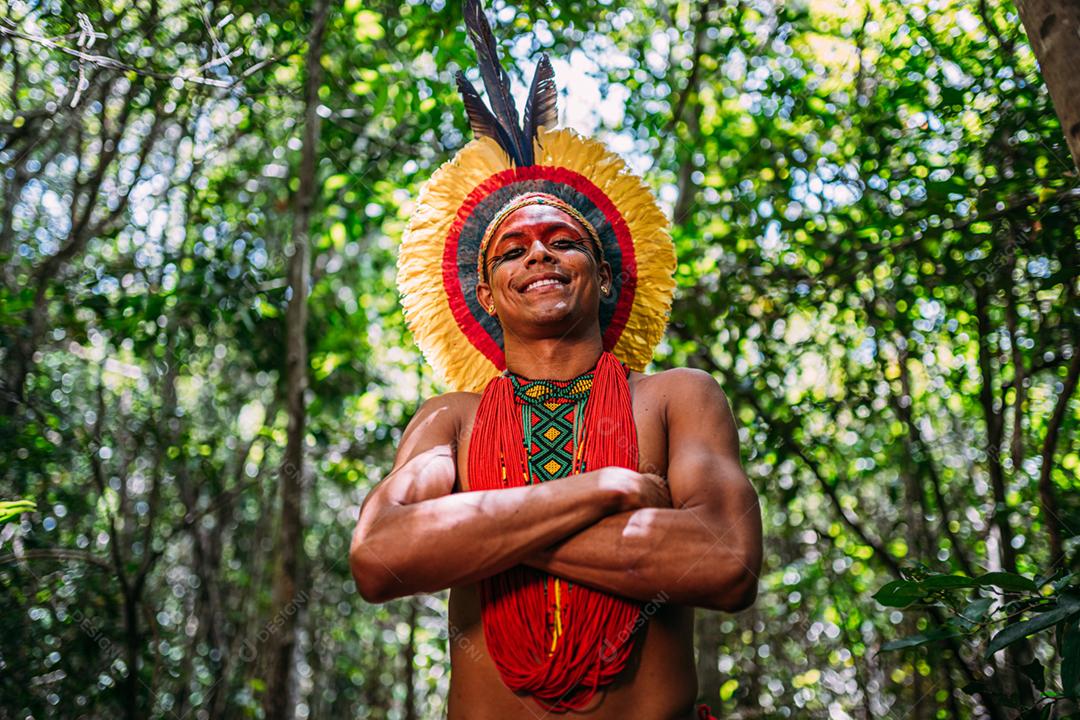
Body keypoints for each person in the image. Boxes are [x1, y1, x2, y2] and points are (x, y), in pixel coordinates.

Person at [350, 2, 763, 717]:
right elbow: (380, 556)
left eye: (562, 241)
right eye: (512, 249)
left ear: (604, 275)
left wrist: (471, 532)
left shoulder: (677, 398)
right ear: (485, 291)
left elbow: (725, 562)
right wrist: (603, 488)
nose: (538, 252)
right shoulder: (451, 419)